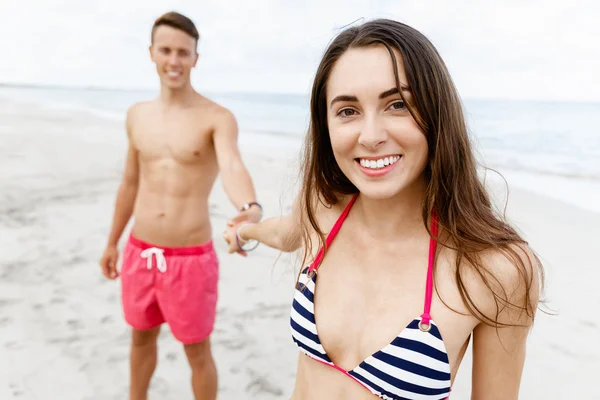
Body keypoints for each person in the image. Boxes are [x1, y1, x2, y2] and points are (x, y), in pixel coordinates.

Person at [224, 18, 542, 400]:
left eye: (397, 105)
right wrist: (244, 230)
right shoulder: (323, 209)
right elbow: (286, 232)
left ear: (435, 112)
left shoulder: (498, 269)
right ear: (325, 125)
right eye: (347, 111)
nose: (371, 136)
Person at [99, 11, 262, 400]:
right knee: (140, 339)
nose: (174, 60)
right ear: (152, 53)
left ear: (195, 59)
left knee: (197, 350)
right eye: (166, 51)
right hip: (141, 251)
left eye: (183, 53)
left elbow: (232, 164)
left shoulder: (216, 117)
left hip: (190, 259)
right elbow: (130, 183)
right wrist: (112, 242)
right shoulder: (137, 115)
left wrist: (250, 207)